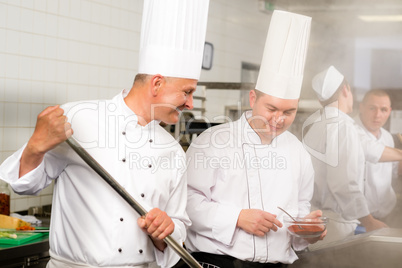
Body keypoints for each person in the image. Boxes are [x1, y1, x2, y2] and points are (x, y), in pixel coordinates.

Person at [0, 0, 209, 267]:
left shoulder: (172, 150)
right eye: (187, 92)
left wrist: (166, 231)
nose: (190, 104)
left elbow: (178, 228)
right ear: (157, 84)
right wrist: (35, 146)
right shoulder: (79, 118)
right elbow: (23, 186)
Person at [183, 11, 326, 268]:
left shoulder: (297, 151)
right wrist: (237, 217)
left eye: (288, 112)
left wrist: (306, 230)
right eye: (271, 109)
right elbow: (187, 203)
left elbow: (301, 206)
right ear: (252, 99)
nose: (279, 119)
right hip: (218, 262)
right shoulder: (212, 142)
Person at [302, 66, 402, 249]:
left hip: (318, 222)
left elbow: (370, 149)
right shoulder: (343, 126)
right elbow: (344, 184)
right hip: (337, 226)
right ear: (346, 89)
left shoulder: (317, 125)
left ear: (319, 99)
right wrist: (369, 220)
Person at [355, 89, 399, 223]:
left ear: (389, 112)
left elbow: (394, 173)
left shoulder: (387, 137)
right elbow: (371, 151)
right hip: (359, 218)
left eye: (383, 110)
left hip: (387, 213)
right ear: (361, 107)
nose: (377, 115)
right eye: (372, 108)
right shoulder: (350, 131)